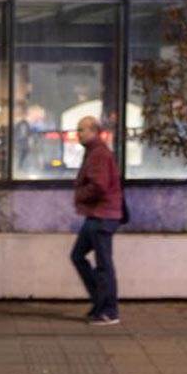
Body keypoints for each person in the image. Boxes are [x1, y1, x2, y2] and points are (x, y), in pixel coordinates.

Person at [70, 116, 122, 325]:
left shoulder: (98, 153)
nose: (78, 134)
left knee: (103, 264)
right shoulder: (94, 151)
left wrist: (80, 195)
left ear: (93, 131)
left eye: (81, 129)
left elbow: (99, 185)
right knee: (78, 255)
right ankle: (101, 303)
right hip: (97, 214)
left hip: (102, 215)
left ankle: (109, 310)